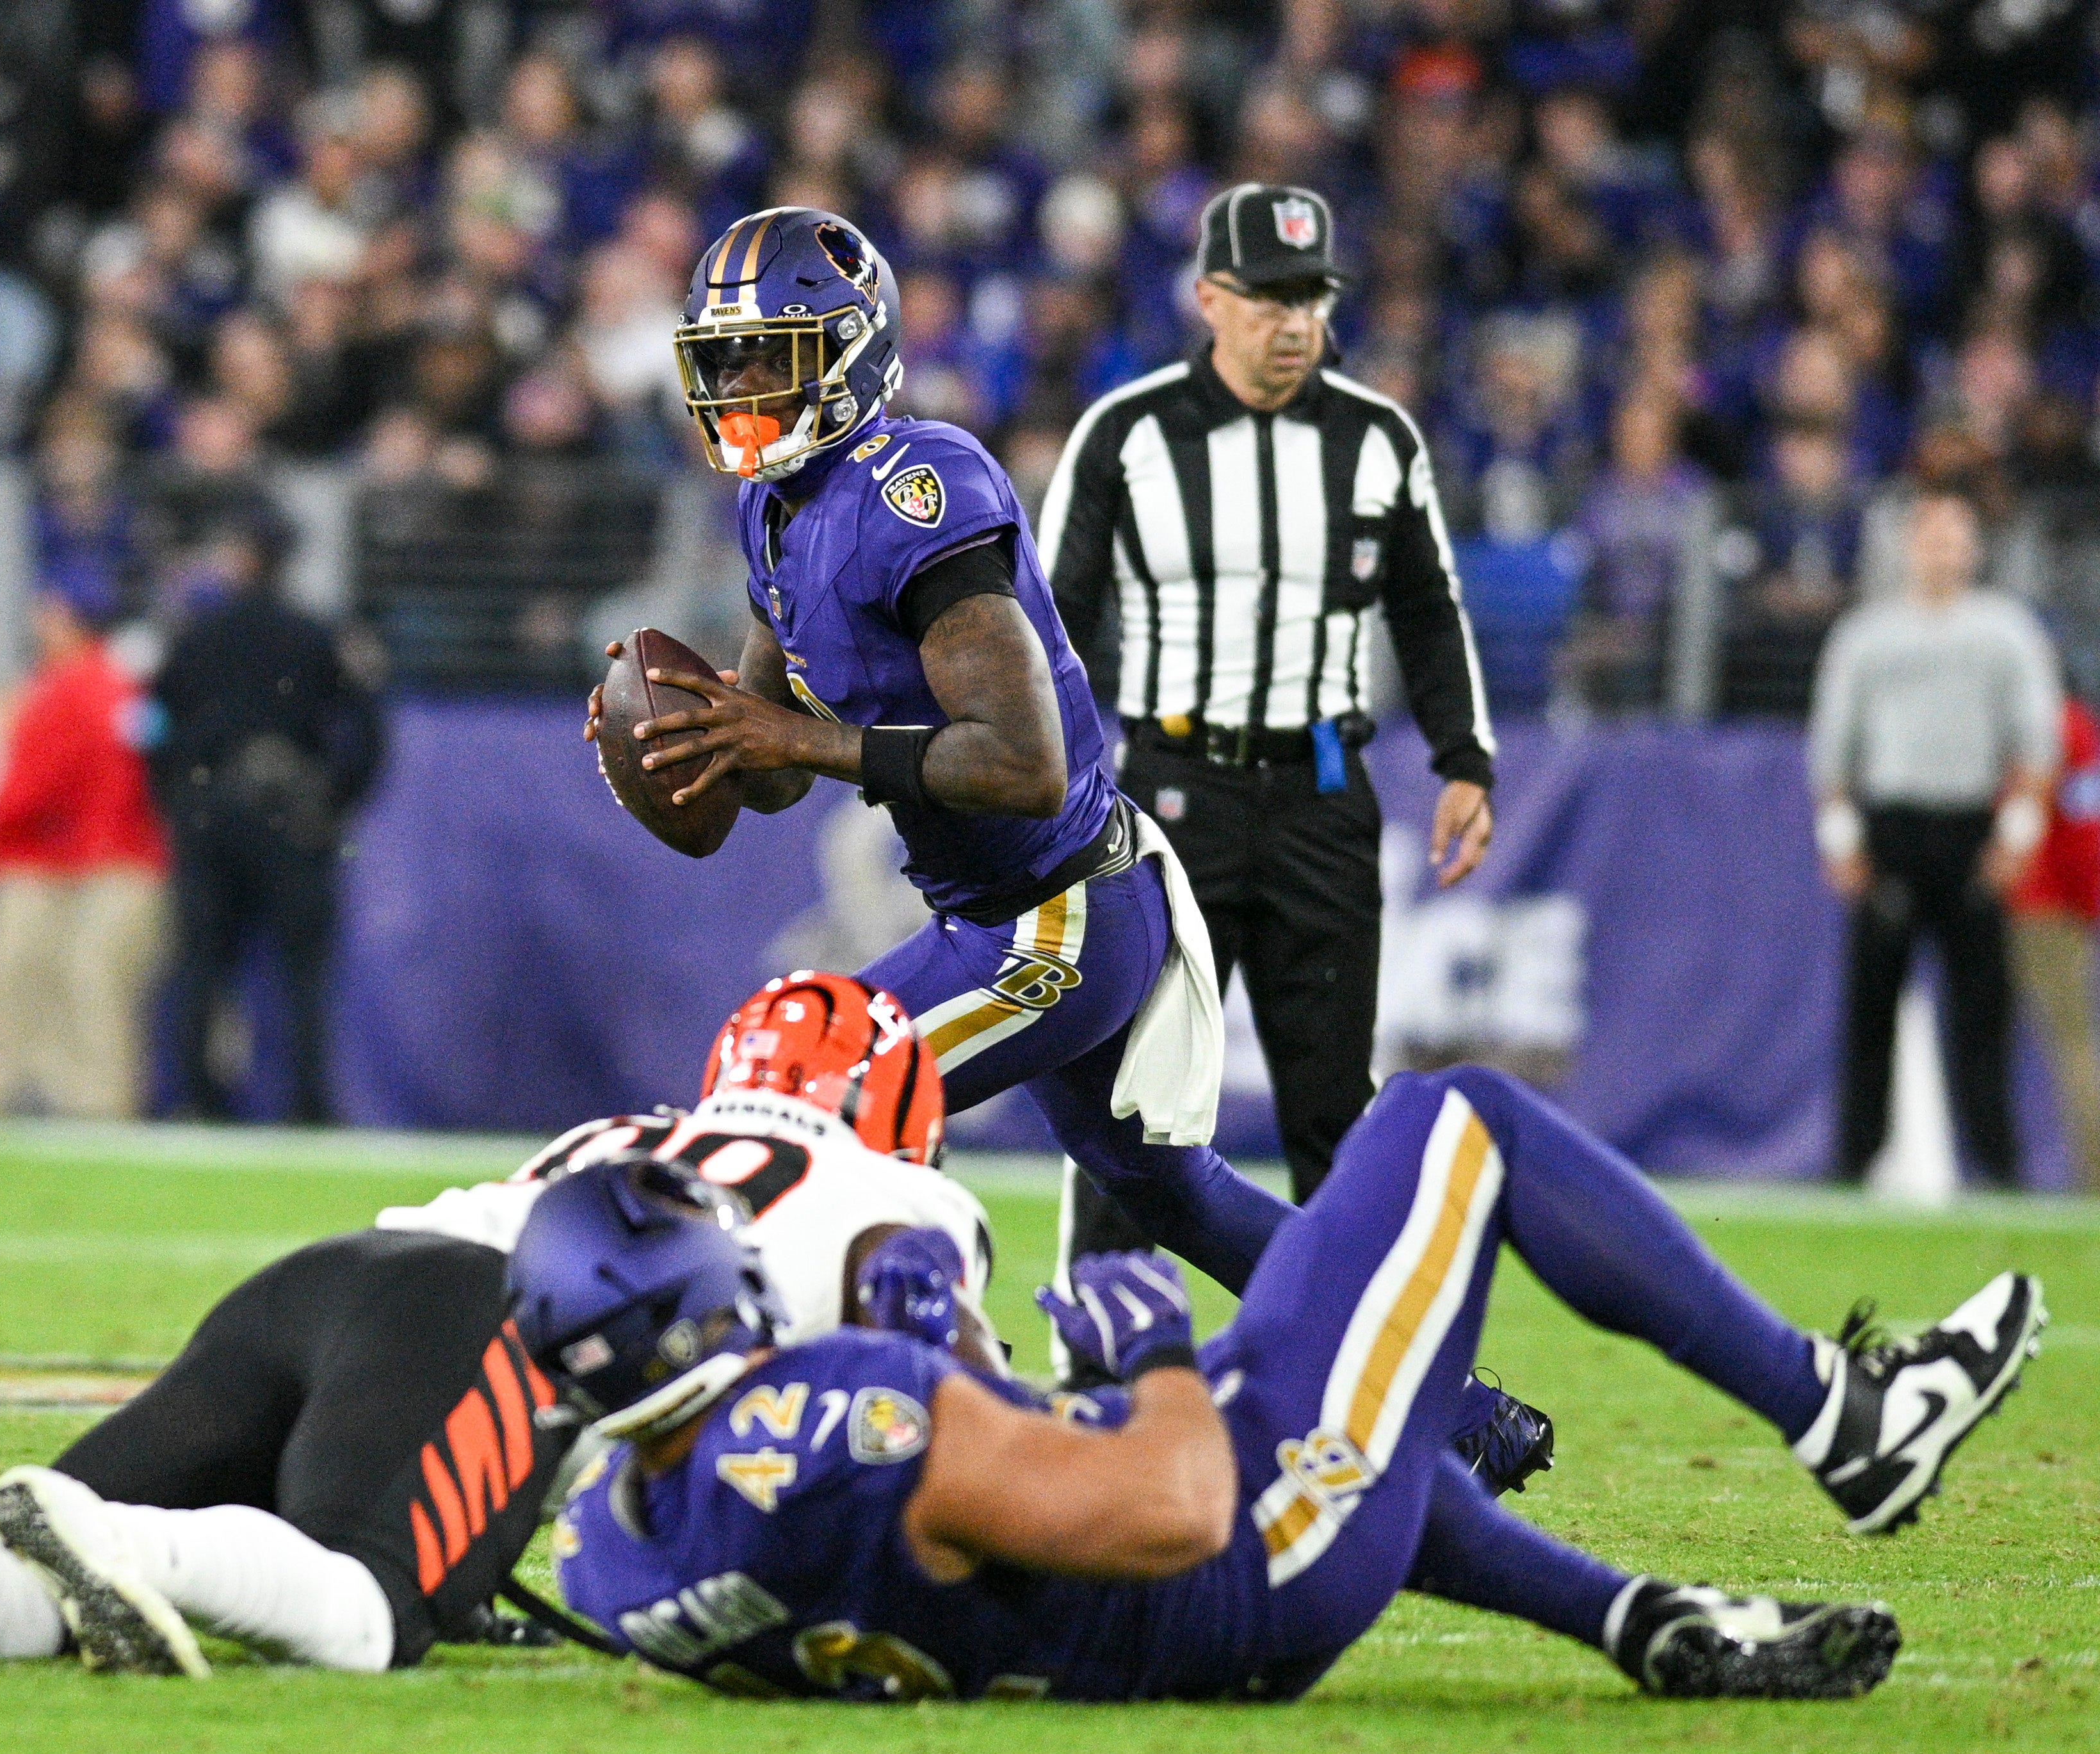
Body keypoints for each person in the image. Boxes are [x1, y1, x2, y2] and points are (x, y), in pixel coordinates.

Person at [592, 205, 1547, 1486]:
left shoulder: (915, 490)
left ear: (853, 352)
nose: (746, 385)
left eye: (776, 354)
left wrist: (795, 739)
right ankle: (1465, 1412)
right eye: (730, 360)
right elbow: (769, 772)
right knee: (1173, 1192)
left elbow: (1019, 760)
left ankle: (902, 1427)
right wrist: (693, 744)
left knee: (806, 1101)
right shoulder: (774, 511)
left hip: (1062, 909)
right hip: (998, 912)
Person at [0, 976, 996, 1677]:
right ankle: (128, 1543)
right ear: (897, 1111)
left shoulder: (625, 1130)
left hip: (342, 1274)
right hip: (478, 1328)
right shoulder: (902, 1197)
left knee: (6, 1606)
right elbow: (932, 1403)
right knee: (370, 1612)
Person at [517, 1069, 2048, 1704]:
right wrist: (1150, 1354)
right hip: (1239, 1562)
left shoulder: (612, 1549)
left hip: (1096, 1626)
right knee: (1455, 1121)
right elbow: (1177, 1503)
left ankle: (1643, 1619)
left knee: (1350, 1395)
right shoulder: (841, 1412)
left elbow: (959, 1519)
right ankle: (1846, 1416)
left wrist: (949, 1358)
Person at [1038, 183, 1496, 1222]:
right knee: (1135, 1085)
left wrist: (1463, 759)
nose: (1293, 322)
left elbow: (1427, 607)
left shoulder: (1376, 437)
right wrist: (1050, 780)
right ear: (1208, 297)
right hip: (1171, 790)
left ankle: (1335, 1323)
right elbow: (1051, 622)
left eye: (1310, 298)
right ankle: (1108, 1316)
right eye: (1268, 297)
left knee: (1333, 1099)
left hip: (1321, 793)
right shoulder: (1127, 433)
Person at [1809, 485, 2061, 1184]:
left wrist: (2015, 838)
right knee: (1871, 1008)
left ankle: (1998, 1165)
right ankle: (1853, 1161)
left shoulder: (2004, 630)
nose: (1942, 552)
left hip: (1970, 828)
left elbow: (2036, 745)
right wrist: (1841, 841)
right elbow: (1833, 751)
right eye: (1930, 537)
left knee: (1982, 1012)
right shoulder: (1867, 634)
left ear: (1974, 549)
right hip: (1890, 830)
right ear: (1908, 547)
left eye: (1954, 537)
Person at [147, 501, 383, 1123]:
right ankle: (309, 1105)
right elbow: (367, 728)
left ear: (241, 557)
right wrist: (337, 798)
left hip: (209, 813)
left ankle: (197, 1099)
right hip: (292, 817)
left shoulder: (194, 636)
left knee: (202, 963)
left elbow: (151, 722)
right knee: (304, 973)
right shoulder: (317, 636)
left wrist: (175, 799)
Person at [0, 583, 169, 1121]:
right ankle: (86, 1099)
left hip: (66, 860)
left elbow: (38, 778)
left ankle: (11, 1097)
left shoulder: (69, 686)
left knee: (30, 980)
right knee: (84, 982)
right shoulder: (119, 684)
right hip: (105, 858)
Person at [2006, 685, 2100, 1191]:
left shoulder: (2050, 724)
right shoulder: (2073, 722)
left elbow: (2079, 825)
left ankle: (2093, 1174)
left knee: (2070, 1043)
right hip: (2052, 903)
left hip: (2038, 905)